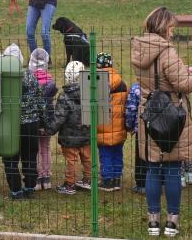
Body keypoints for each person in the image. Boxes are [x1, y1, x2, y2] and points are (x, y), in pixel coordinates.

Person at [131, 7, 192, 237]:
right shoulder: (166, 51)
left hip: (149, 113)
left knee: (153, 166)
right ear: (164, 26)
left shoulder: (140, 48)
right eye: (172, 27)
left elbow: (163, 77)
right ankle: (172, 220)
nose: (173, 32)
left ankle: (153, 220)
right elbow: (182, 84)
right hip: (171, 114)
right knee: (173, 167)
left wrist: (185, 70)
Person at [1, 43, 46, 199]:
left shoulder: (2, 78)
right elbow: (41, 101)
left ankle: (15, 190)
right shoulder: (30, 76)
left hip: (10, 124)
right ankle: (29, 188)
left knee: (10, 158)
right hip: (30, 124)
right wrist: (43, 122)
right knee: (29, 157)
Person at [46, 60, 91, 195]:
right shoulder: (90, 92)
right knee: (87, 158)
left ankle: (70, 184)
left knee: (71, 160)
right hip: (87, 132)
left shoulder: (64, 97)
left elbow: (59, 118)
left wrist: (49, 129)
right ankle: (88, 180)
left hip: (69, 136)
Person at [96, 52, 128, 192]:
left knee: (105, 154)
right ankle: (117, 179)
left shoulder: (97, 83)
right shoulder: (122, 83)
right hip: (119, 126)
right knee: (117, 153)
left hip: (103, 126)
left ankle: (107, 180)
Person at [28, 48, 57, 190]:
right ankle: (46, 177)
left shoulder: (29, 80)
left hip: (34, 120)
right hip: (48, 120)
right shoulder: (50, 81)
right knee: (45, 148)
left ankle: (37, 178)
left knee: (35, 149)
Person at [125, 81, 146, 194]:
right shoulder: (164, 83)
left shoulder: (137, 87)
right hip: (163, 127)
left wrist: (129, 125)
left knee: (142, 155)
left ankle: (142, 184)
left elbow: (131, 108)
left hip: (142, 127)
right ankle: (159, 182)